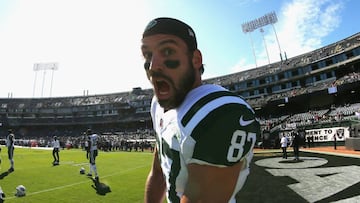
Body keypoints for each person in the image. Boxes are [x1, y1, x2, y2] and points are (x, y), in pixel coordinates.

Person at [141, 17, 260, 203]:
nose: (153, 66)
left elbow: (200, 197)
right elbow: (158, 172)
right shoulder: (158, 103)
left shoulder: (221, 113)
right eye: (147, 55)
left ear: (195, 59)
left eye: (167, 51)